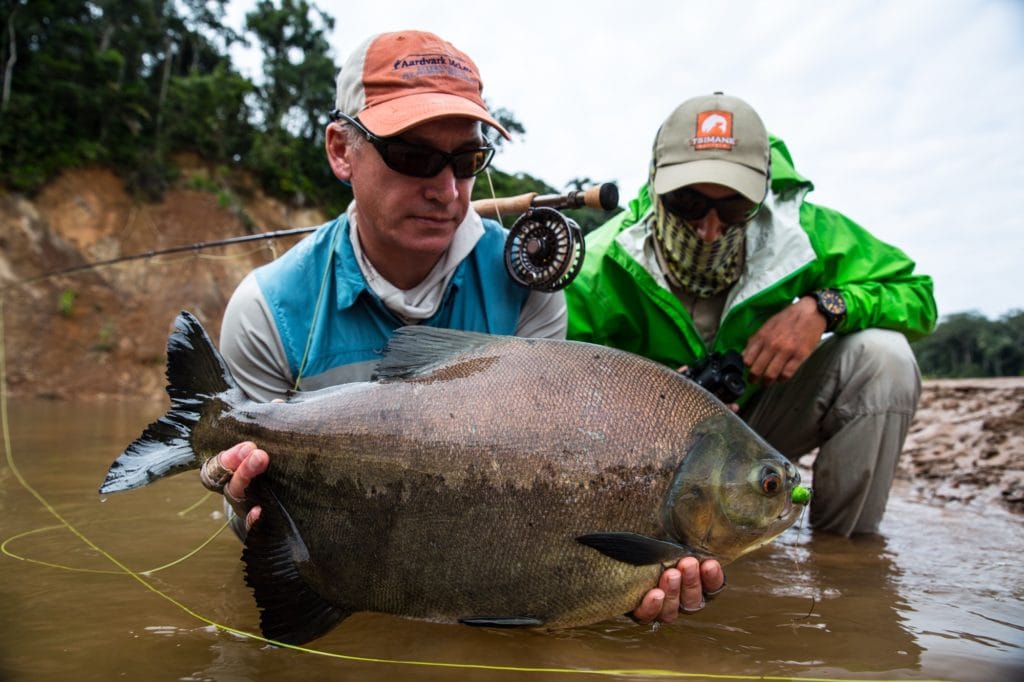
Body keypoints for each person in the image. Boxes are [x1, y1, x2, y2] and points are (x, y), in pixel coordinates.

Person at [201, 31, 723, 624]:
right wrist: (243, 506)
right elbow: (252, 521)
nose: (447, 190)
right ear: (341, 150)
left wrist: (601, 584)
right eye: (413, 156)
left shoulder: (529, 291)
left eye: (467, 161)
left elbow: (543, 487)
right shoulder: (267, 311)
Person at [566, 92, 937, 537]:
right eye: (686, 203)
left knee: (883, 357)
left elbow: (917, 296)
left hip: (761, 432)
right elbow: (558, 403)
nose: (708, 230)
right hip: (646, 449)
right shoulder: (597, 269)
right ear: (655, 182)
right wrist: (656, 403)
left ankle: (844, 553)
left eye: (734, 207)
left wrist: (825, 308)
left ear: (762, 194)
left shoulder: (805, 233)